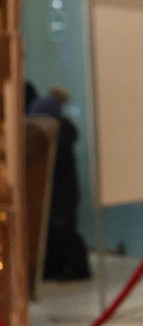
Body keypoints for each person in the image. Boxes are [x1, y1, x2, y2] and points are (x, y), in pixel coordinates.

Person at [29, 87, 91, 281]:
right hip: (57, 192)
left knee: (64, 230)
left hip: (63, 193)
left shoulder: (60, 137)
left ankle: (80, 269)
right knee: (53, 231)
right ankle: (55, 267)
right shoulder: (57, 136)